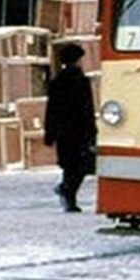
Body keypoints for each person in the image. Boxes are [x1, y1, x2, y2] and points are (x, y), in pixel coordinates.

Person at [43, 42, 97, 212]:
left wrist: (49, 133)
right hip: (79, 129)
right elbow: (88, 108)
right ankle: (68, 192)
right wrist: (92, 130)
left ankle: (68, 192)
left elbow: (51, 109)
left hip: (63, 131)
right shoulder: (81, 81)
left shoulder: (56, 82)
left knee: (70, 165)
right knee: (81, 165)